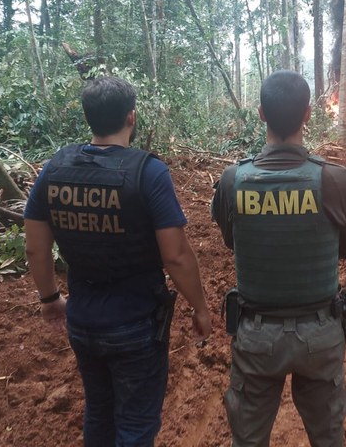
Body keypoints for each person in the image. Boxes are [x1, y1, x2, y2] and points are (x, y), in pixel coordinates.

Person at [24, 76, 212, 447]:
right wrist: (200, 307)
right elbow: (174, 255)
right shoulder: (148, 172)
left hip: (81, 319)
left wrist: (50, 300)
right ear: (132, 117)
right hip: (136, 324)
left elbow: (35, 248)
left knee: (98, 412)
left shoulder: (55, 168)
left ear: (88, 118)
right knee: (136, 424)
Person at [211, 70, 346, 447]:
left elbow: (233, 242)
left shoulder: (234, 180)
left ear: (261, 113)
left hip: (256, 336)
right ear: (308, 114)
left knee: (247, 440)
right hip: (321, 333)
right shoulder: (335, 179)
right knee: (328, 437)